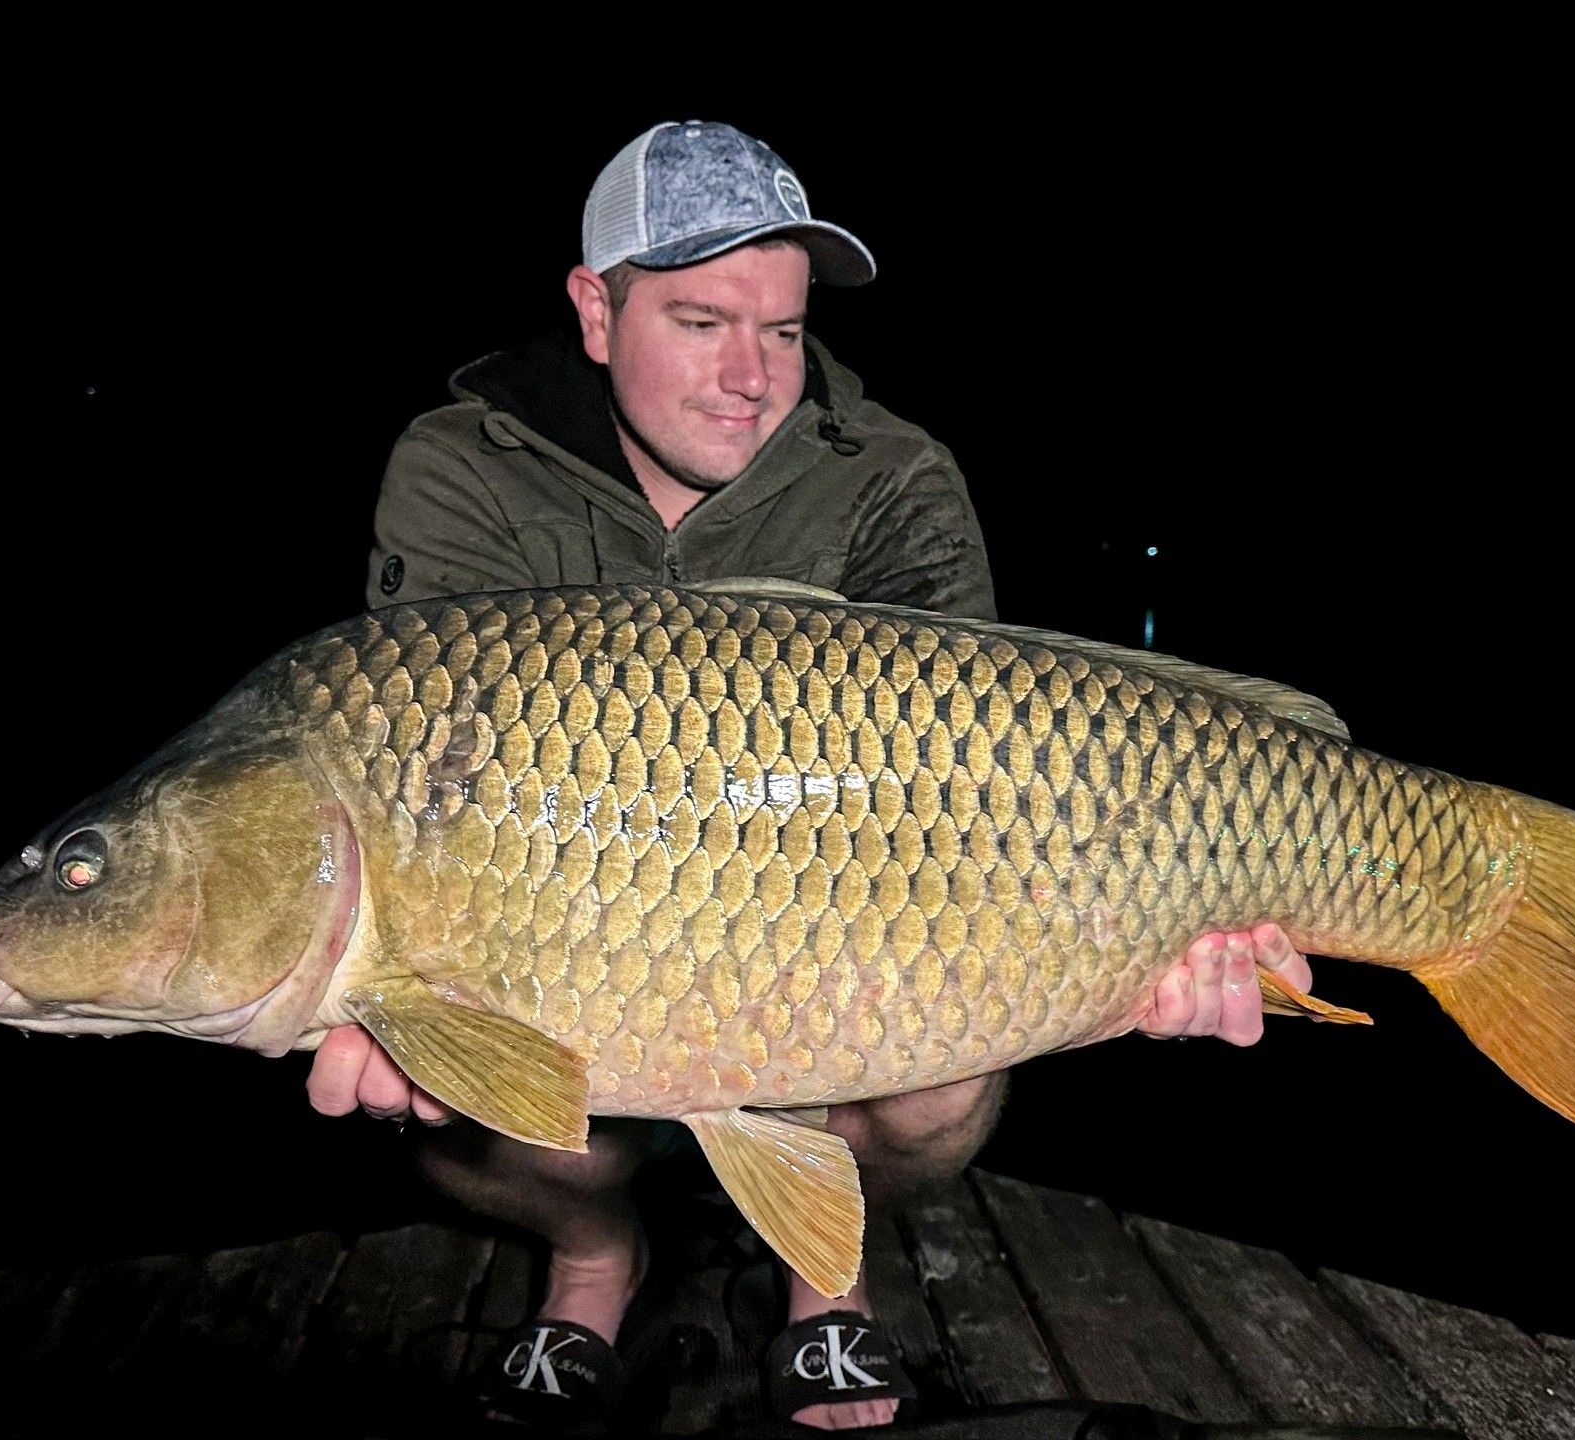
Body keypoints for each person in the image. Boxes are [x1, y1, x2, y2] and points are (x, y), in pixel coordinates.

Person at [306, 120, 1315, 1432]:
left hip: (831, 953)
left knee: (949, 1083)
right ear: (594, 310)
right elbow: (424, 767)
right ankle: (594, 1259)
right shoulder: (460, 469)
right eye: (704, 321)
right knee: (434, 1095)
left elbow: (1000, 790)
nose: (752, 378)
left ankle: (817, 1271)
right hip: (570, 956)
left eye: (781, 333)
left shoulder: (894, 480)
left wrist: (1131, 960)